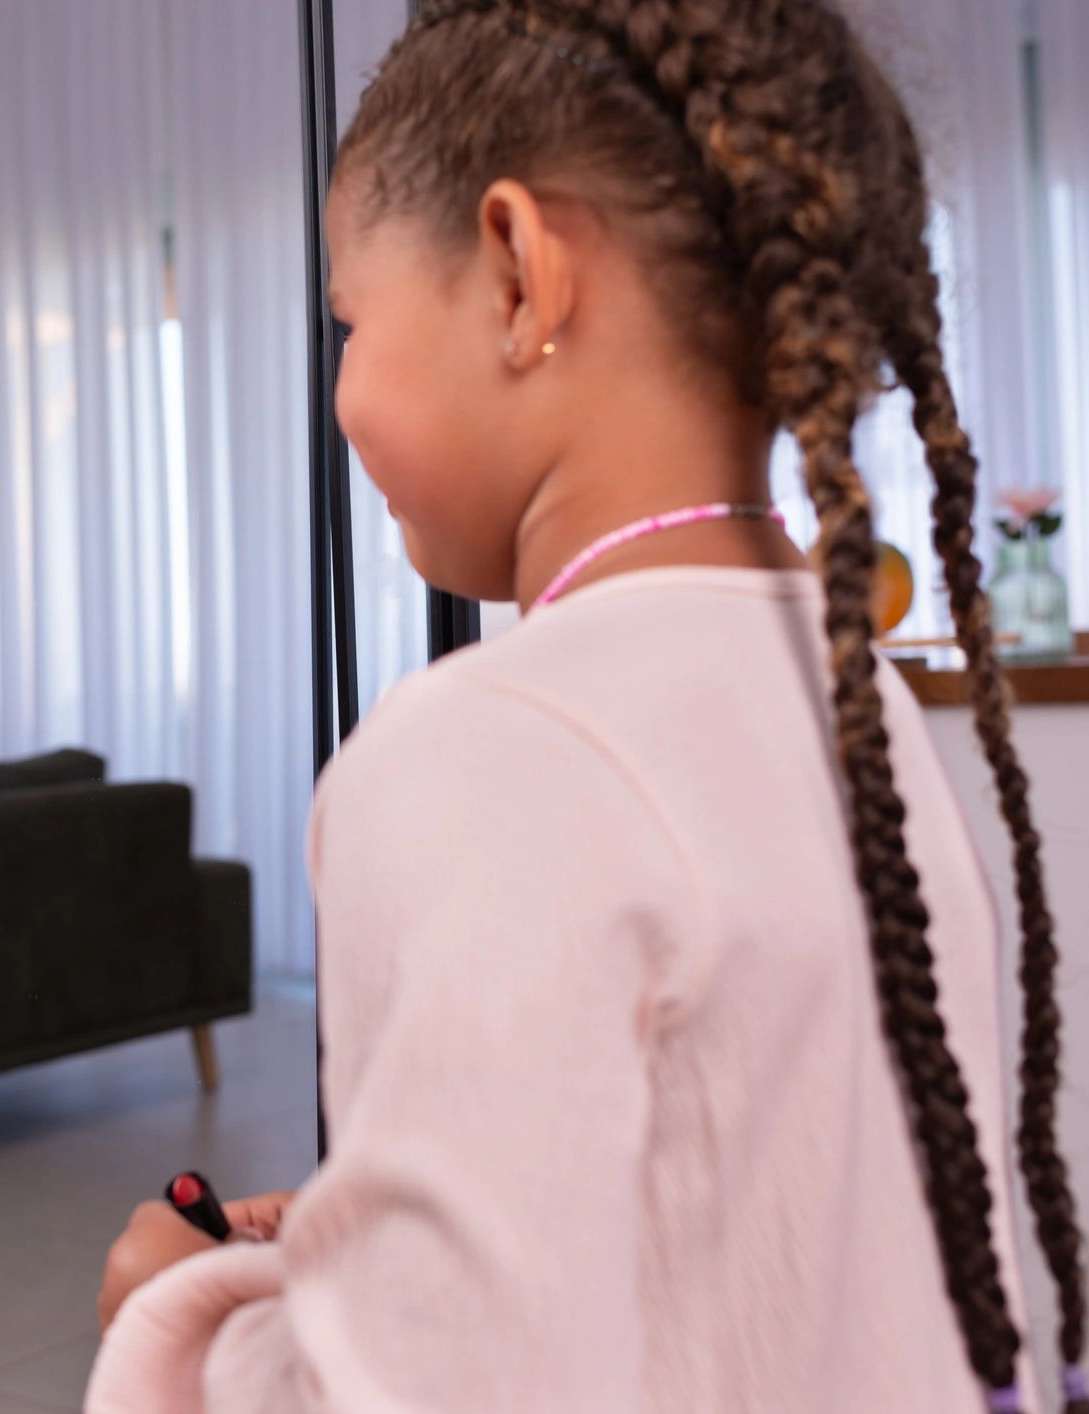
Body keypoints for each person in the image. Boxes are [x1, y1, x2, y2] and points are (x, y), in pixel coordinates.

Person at [92, 3, 1081, 1409]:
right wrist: (359, 1255)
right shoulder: (832, 699)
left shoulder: (486, 748)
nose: (341, 388)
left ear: (513, 270)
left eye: (349, 319)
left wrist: (184, 1310)